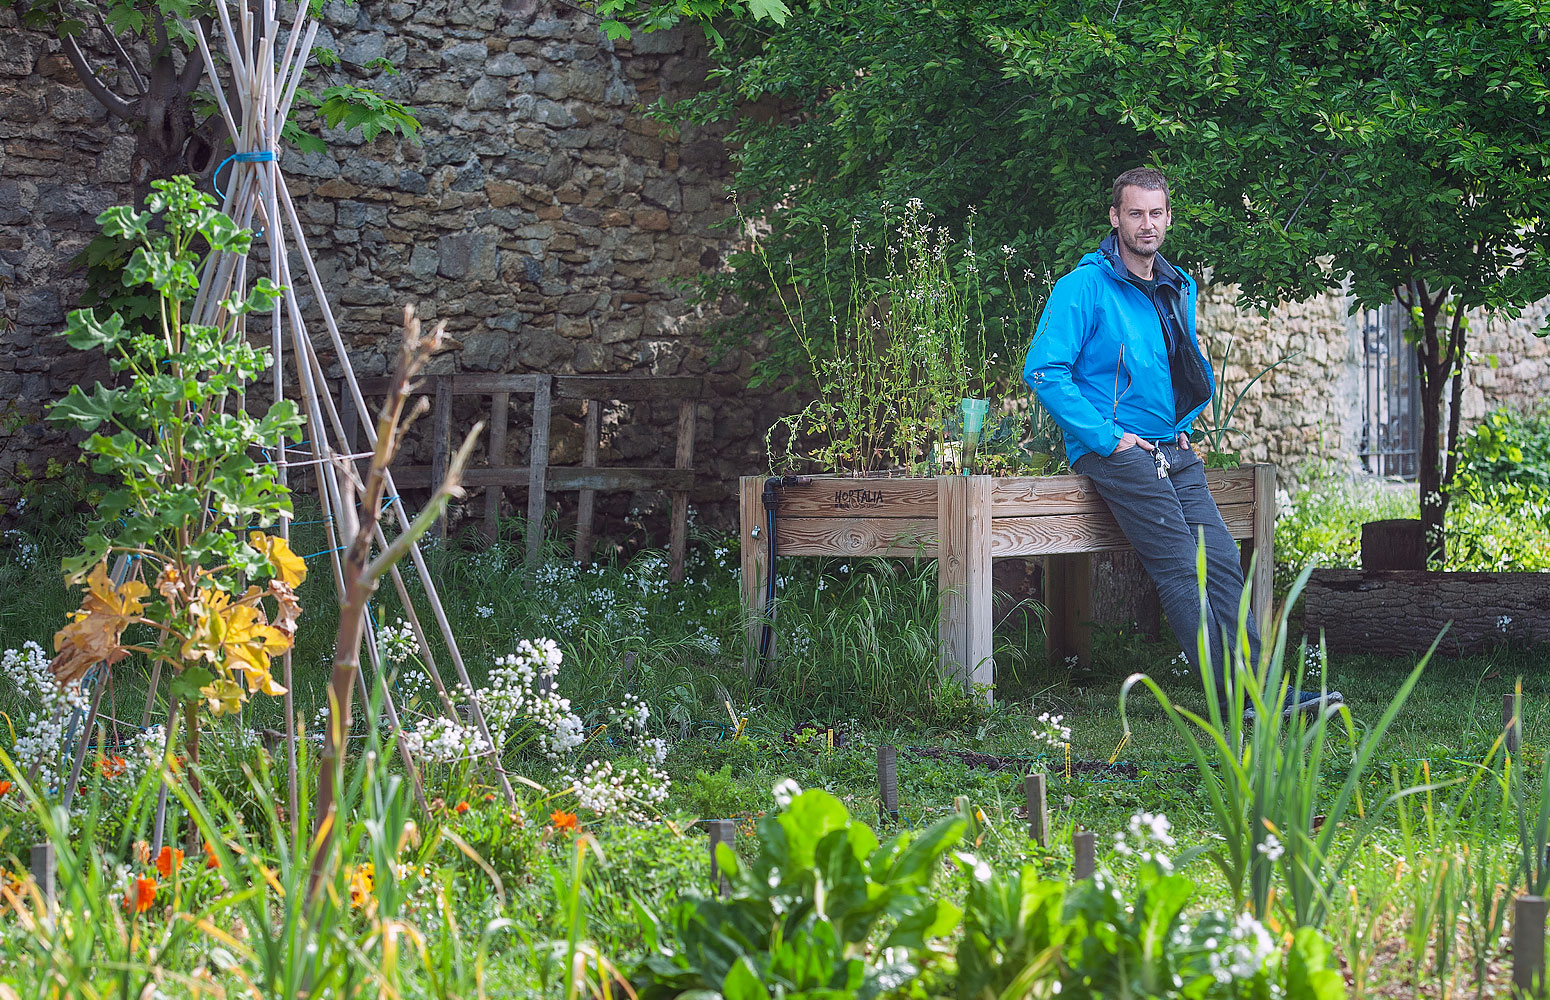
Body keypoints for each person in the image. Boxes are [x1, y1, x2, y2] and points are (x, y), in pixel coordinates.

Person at [1023, 167, 1337, 716]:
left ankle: (1262, 693)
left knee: (1220, 562)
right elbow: (1045, 370)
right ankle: (1232, 704)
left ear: (1168, 217)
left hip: (1172, 445)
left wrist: (1183, 421)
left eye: (1156, 213)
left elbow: (1175, 360)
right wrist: (1108, 437)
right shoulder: (1085, 287)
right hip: (1116, 452)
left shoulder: (1177, 284)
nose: (1147, 224)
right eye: (1135, 213)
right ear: (1115, 218)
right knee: (1178, 567)